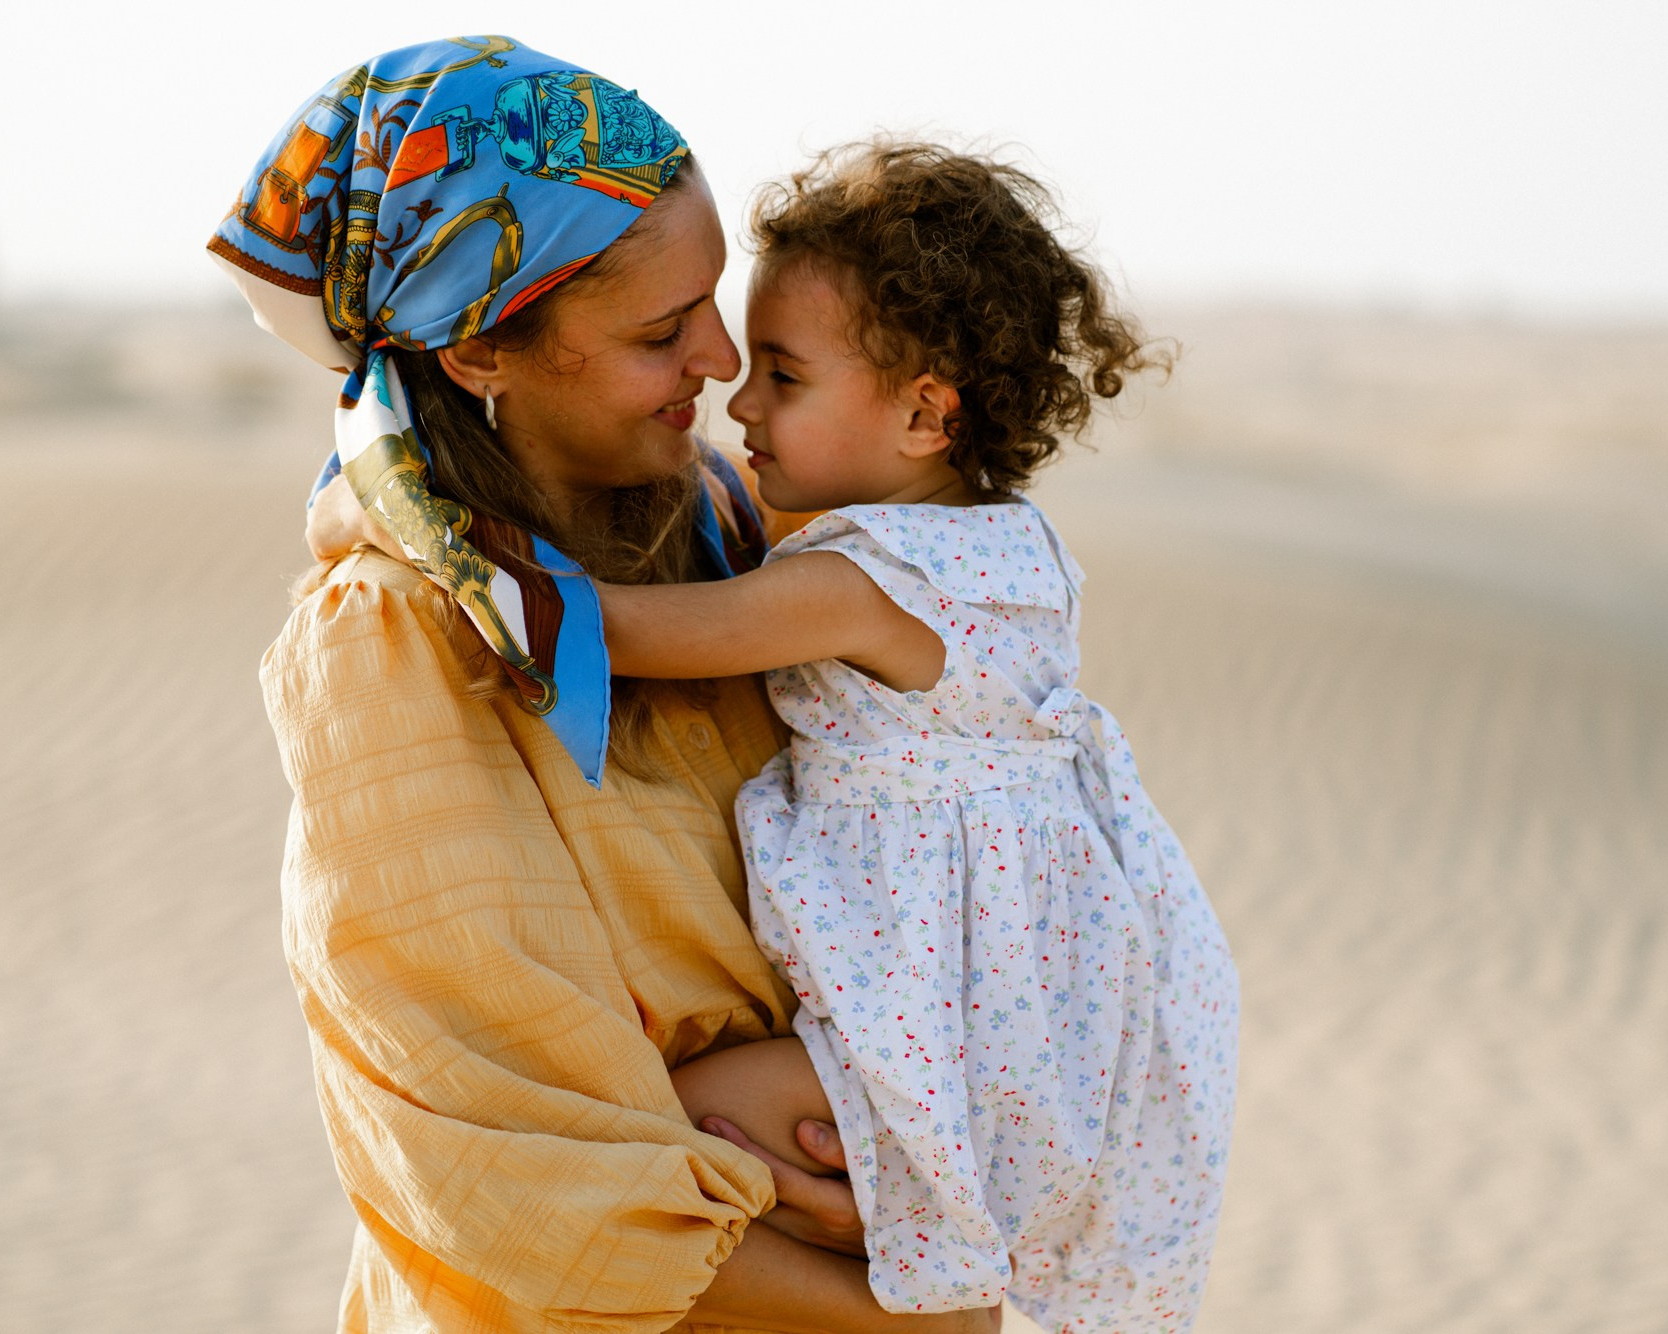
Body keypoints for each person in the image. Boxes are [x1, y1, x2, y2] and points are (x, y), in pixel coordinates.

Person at [328, 142, 1243, 1332]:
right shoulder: (1011, 548)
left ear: (923, 411)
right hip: (1027, 1008)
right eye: (711, 350)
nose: (736, 400)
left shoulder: (856, 582)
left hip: (935, 1016)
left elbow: (600, 631)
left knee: (667, 1128)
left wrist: (382, 500)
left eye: (781, 374)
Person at [220, 37, 998, 1334]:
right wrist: (922, 1317)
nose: (720, 360)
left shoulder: (747, 539)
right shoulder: (394, 640)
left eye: (715, 301)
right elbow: (494, 1165)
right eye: (659, 330)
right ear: (479, 356)